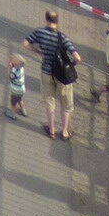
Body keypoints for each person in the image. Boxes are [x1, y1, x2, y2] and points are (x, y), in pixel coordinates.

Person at [25, 10, 81, 140]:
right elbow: (77, 57)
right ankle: (65, 132)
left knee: (50, 102)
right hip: (62, 76)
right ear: (57, 21)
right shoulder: (63, 37)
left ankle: (51, 130)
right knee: (66, 104)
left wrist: (38, 51)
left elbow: (25, 43)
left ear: (46, 20)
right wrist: (71, 65)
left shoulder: (39, 32)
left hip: (46, 72)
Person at [7, 52, 27, 119]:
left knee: (13, 103)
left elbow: (10, 76)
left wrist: (9, 68)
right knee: (20, 99)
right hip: (21, 89)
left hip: (15, 91)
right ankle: (24, 111)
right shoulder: (21, 69)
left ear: (14, 64)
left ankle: (12, 114)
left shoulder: (14, 72)